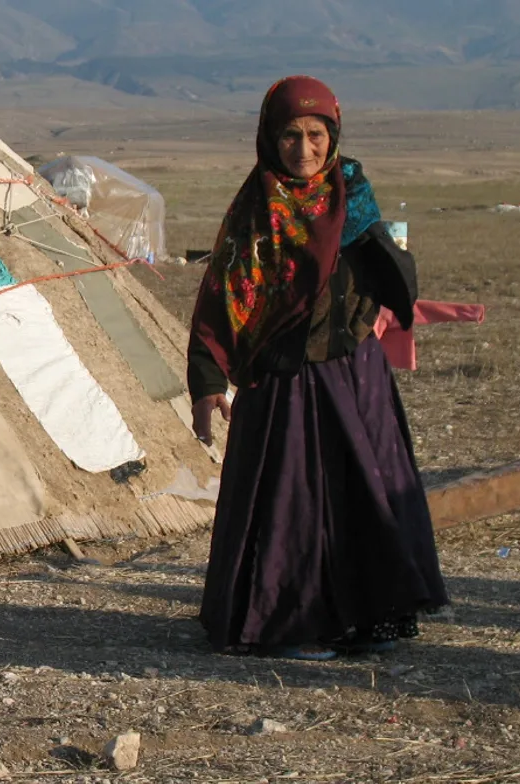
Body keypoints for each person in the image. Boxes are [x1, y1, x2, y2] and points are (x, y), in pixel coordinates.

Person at [187, 75, 449, 661]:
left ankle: (362, 616)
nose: (302, 150)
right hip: (282, 383)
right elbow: (221, 301)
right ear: (268, 138)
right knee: (293, 506)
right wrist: (207, 386)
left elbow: (393, 281)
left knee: (361, 496)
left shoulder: (352, 197)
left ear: (333, 136)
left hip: (354, 375)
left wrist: (377, 244)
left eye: (314, 135)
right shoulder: (255, 212)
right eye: (288, 136)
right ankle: (289, 623)